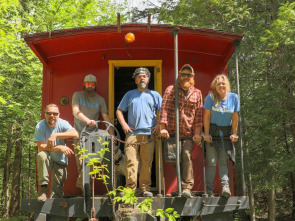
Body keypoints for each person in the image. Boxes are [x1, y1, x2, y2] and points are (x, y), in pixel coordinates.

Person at [116, 67, 162, 197]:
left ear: (148, 79)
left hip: (149, 134)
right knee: (131, 161)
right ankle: (130, 189)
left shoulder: (155, 94)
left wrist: (159, 124)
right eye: (139, 76)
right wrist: (124, 124)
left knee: (147, 162)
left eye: (144, 76)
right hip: (132, 134)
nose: (142, 78)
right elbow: (119, 111)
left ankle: (145, 189)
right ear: (136, 80)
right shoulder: (129, 94)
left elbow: (163, 111)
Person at [158, 64, 203, 198]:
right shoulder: (171, 89)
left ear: (192, 77)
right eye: (183, 74)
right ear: (179, 75)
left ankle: (187, 188)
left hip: (188, 133)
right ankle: (181, 187)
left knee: (187, 157)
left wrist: (197, 133)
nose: (185, 77)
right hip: (171, 132)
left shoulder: (197, 93)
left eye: (188, 75)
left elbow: (199, 115)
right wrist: (162, 128)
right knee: (175, 160)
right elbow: (164, 108)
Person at [72, 74, 114, 190]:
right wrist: (87, 121)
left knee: (92, 161)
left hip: (93, 136)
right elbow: (75, 111)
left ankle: (84, 187)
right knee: (81, 164)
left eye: (92, 84)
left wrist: (112, 134)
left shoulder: (100, 99)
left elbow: (105, 117)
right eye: (87, 84)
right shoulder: (77, 95)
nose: (90, 86)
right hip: (79, 134)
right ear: (84, 84)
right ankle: (86, 190)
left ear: (95, 85)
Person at [203, 74, 240, 197]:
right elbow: (207, 117)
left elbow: (235, 118)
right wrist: (206, 134)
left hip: (225, 134)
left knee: (223, 161)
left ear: (227, 85)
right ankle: (209, 190)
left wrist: (234, 133)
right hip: (213, 134)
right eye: (218, 84)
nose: (221, 85)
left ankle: (225, 187)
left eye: (223, 83)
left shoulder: (234, 98)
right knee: (212, 162)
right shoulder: (211, 97)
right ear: (215, 86)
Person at [34, 104, 79, 202]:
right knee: (42, 155)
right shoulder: (40, 126)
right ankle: (43, 188)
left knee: (57, 193)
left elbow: (75, 133)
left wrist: (56, 135)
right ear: (45, 114)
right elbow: (41, 147)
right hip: (47, 157)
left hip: (60, 160)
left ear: (59, 115)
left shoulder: (63, 123)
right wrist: (58, 147)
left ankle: (55, 212)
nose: (52, 116)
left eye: (55, 113)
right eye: (49, 113)